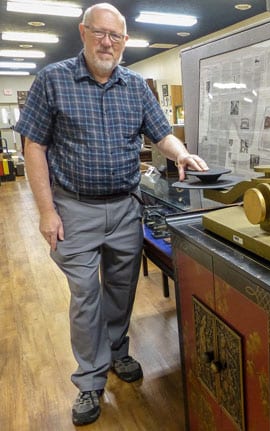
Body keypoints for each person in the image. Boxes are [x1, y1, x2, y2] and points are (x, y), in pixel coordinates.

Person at [15, 3, 208, 426]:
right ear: (83, 32)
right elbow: (35, 148)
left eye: (116, 36)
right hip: (73, 208)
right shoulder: (53, 80)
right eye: (100, 33)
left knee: (120, 289)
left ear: (124, 41)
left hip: (125, 207)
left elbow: (161, 134)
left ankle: (118, 352)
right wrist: (46, 212)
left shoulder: (136, 86)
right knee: (86, 295)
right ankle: (89, 381)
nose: (108, 42)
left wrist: (182, 153)